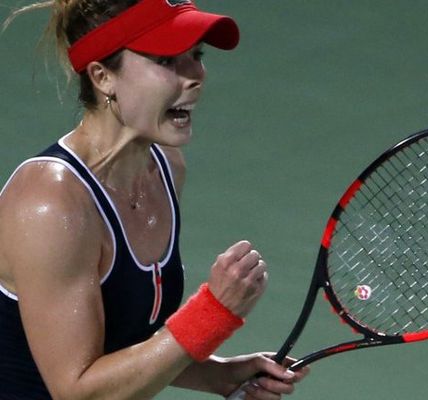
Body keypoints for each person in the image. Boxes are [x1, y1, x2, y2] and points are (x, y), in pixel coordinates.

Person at [0, 0, 308, 399]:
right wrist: (211, 314)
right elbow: (78, 393)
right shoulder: (51, 203)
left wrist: (221, 375)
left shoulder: (165, 167)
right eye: (166, 61)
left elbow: (122, 342)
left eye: (195, 56)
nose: (195, 75)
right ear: (103, 76)